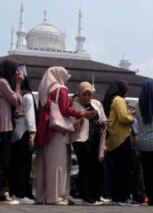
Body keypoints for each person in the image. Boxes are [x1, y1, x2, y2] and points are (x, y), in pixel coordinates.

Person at [35, 67, 93, 205]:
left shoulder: (44, 90)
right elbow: (65, 110)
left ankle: (42, 196)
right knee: (58, 166)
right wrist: (81, 114)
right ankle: (55, 197)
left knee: (44, 166)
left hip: (45, 131)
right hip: (57, 131)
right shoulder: (61, 88)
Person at [0, 59, 23, 203]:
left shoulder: (1, 82)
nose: (16, 74)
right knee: (1, 162)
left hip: (5, 125)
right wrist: (19, 84)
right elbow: (15, 100)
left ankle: (0, 191)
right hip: (3, 127)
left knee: (2, 162)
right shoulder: (2, 82)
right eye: (15, 70)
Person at [70, 82, 106, 205]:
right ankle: (86, 196)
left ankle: (95, 195)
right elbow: (71, 125)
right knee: (85, 167)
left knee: (96, 167)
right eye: (84, 94)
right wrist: (82, 116)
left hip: (96, 139)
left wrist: (104, 122)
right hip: (81, 139)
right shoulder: (74, 105)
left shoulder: (96, 104)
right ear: (79, 94)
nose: (86, 97)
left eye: (89, 94)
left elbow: (102, 118)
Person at [103, 80, 137, 206]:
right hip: (122, 138)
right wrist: (132, 117)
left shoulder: (111, 100)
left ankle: (116, 197)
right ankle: (124, 197)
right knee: (124, 169)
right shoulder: (119, 100)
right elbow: (123, 118)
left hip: (113, 139)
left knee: (116, 169)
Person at [10, 74, 38, 204]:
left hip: (14, 134)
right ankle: (22, 194)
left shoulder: (14, 95)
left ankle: (15, 192)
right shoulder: (27, 95)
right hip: (25, 132)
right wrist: (33, 133)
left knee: (15, 165)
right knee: (24, 166)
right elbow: (31, 116)